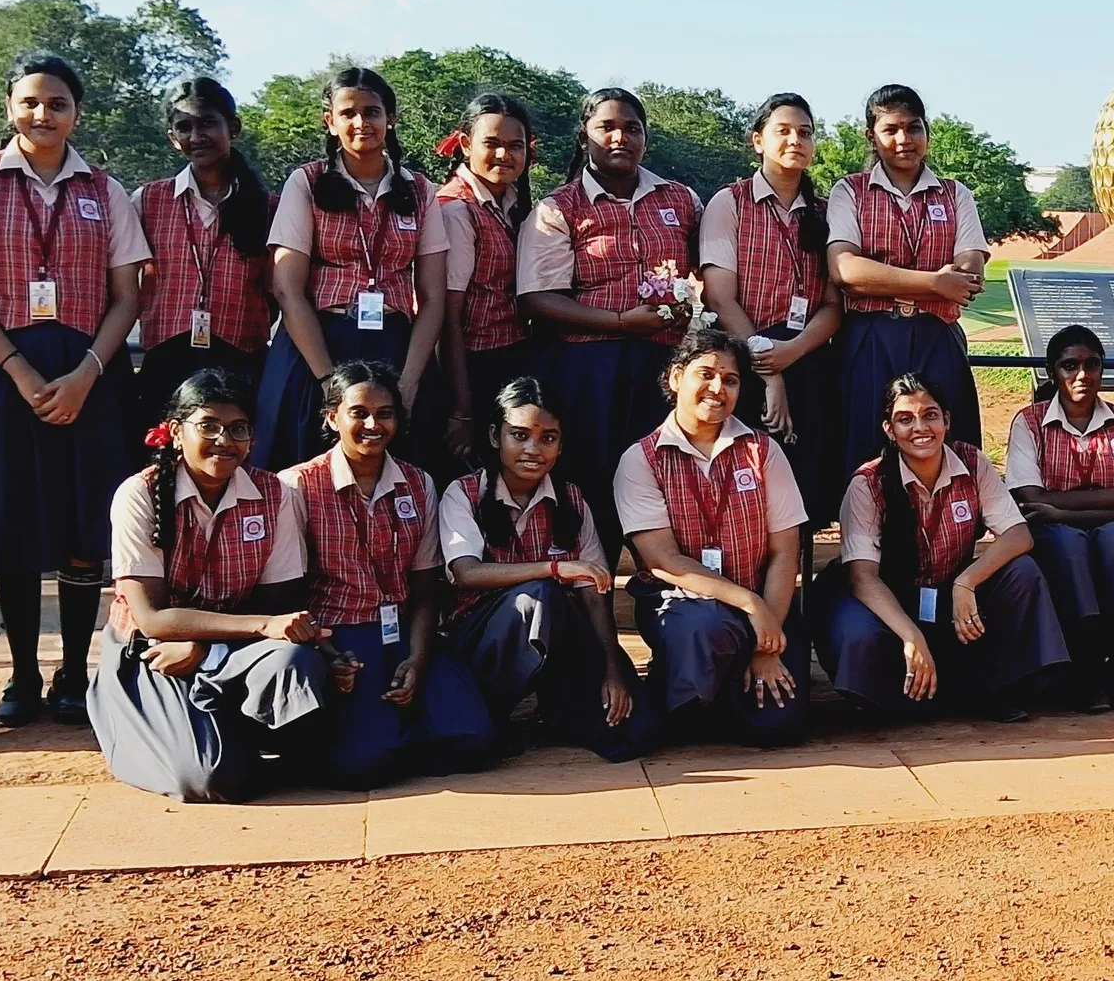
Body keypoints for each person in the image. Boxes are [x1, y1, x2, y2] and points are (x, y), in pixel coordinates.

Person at [0, 52, 150, 727]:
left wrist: (88, 372)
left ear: (76, 112)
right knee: (14, 525)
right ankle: (22, 675)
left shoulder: (106, 190)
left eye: (57, 103)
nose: (42, 114)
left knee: (85, 525)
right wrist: (19, 370)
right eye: (30, 101)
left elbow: (127, 297)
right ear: (9, 106)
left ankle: (72, 674)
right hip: (8, 377)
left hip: (90, 375)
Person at [89, 369, 334, 802]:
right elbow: (152, 618)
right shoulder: (139, 495)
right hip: (152, 651)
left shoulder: (274, 494)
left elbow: (277, 600)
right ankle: (141, 716)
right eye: (208, 426)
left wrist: (208, 648)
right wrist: (257, 629)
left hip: (228, 648)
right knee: (209, 778)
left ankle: (236, 729)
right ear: (175, 432)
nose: (225, 440)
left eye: (238, 428)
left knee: (296, 660)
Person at [283, 362, 498, 787]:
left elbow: (424, 590)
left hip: (402, 634)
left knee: (476, 741)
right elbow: (286, 594)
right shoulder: (297, 486)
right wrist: (327, 656)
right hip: (337, 639)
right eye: (358, 412)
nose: (372, 424)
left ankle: (400, 731)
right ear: (332, 417)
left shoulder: (418, 484)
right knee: (363, 765)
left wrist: (417, 659)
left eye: (385, 413)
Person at [819, 375, 1069, 722]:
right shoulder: (868, 483)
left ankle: (998, 686)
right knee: (859, 634)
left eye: (930, 415)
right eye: (906, 419)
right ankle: (901, 699)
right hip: (890, 600)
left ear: (946, 420)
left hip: (949, 592)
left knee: (1022, 572)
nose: (920, 427)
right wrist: (912, 637)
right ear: (889, 429)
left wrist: (966, 582)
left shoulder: (972, 462)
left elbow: (1018, 535)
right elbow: (864, 578)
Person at [514, 87, 703, 540]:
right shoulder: (559, 207)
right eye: (607, 127)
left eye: (632, 128)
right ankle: (592, 592)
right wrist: (621, 322)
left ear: (646, 138)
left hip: (665, 363)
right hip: (589, 366)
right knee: (593, 477)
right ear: (584, 137)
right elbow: (537, 297)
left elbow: (704, 273)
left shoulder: (682, 200)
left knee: (662, 474)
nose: (621, 137)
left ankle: (661, 593)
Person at [611, 329, 810, 749]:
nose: (718, 389)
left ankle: (715, 692)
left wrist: (767, 640)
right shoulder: (640, 460)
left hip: (765, 604)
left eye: (731, 380)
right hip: (685, 607)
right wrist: (746, 602)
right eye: (705, 374)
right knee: (702, 629)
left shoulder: (763, 451)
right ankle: (685, 693)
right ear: (675, 378)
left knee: (778, 728)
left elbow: (784, 552)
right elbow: (663, 560)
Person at [439, 376, 654, 761]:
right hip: (480, 641)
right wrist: (552, 569)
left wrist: (612, 667)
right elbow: (467, 572)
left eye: (547, 438)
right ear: (494, 436)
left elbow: (594, 591)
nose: (533, 449)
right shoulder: (464, 493)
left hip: (561, 637)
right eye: (519, 435)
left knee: (636, 730)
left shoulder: (571, 498)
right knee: (537, 598)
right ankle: (494, 710)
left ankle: (560, 709)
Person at [255, 66, 450, 472]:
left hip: (396, 348)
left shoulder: (419, 189)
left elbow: (432, 298)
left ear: (390, 118)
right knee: (301, 470)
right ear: (331, 122)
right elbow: (287, 289)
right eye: (348, 113)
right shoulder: (306, 183)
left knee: (406, 471)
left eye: (373, 112)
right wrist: (328, 382)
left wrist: (410, 382)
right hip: (317, 348)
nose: (362, 123)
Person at [825, 84, 987, 477]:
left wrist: (886, 277)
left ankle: (945, 535)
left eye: (914, 128)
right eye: (891, 129)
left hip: (937, 334)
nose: (904, 140)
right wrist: (934, 283)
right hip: (870, 335)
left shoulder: (954, 194)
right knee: (868, 450)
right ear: (871, 136)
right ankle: (869, 539)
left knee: (943, 443)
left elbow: (969, 274)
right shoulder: (851, 191)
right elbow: (846, 270)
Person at [702, 93, 847, 528]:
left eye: (804, 132)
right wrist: (770, 367)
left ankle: (797, 586)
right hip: (742, 357)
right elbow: (720, 297)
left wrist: (795, 350)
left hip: (808, 357)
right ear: (757, 140)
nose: (794, 140)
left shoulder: (825, 213)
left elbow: (832, 305)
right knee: (746, 484)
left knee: (805, 486)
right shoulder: (731, 203)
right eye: (782, 131)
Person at [1007, 324, 1114, 711]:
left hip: (1107, 527)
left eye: (1092, 365)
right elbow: (1029, 498)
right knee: (1069, 545)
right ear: (1051, 371)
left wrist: (1061, 508)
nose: (1082, 375)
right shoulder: (1029, 423)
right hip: (1058, 531)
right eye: (1069, 365)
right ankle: (1090, 673)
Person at [133, 77, 274, 424]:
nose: (196, 137)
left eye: (208, 123)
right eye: (184, 127)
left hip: (241, 361)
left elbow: (277, 291)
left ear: (234, 128)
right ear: (172, 138)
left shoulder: (268, 208)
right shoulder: (147, 202)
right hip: (166, 362)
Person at [433, 92, 540, 471]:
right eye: (491, 144)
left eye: (515, 146)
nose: (503, 156)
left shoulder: (512, 204)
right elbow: (448, 318)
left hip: (509, 358)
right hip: (471, 366)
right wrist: (462, 409)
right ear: (465, 145)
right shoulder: (457, 210)